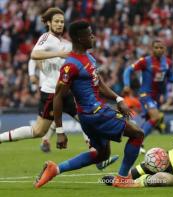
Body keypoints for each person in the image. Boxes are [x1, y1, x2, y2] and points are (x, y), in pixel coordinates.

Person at [0, 7, 118, 170]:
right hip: (51, 92)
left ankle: (98, 156)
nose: (59, 24)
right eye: (56, 21)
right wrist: (55, 56)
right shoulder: (46, 38)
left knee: (87, 120)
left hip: (68, 91)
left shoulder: (64, 43)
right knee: (39, 131)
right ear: (48, 23)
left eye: (62, 22)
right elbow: (34, 55)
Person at [34, 20, 144, 189]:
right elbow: (58, 97)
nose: (93, 36)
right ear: (79, 38)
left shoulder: (89, 57)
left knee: (101, 155)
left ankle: (55, 169)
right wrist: (60, 131)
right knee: (137, 134)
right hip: (95, 113)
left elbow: (98, 84)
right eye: (89, 34)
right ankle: (122, 178)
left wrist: (118, 99)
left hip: (92, 115)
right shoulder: (70, 65)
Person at [123, 40, 173, 153]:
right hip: (145, 94)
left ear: (164, 49)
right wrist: (127, 85)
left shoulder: (168, 62)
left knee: (150, 120)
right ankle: (139, 140)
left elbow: (170, 77)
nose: (159, 50)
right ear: (152, 49)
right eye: (156, 47)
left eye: (161, 48)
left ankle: (136, 140)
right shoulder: (145, 61)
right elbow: (128, 70)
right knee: (156, 117)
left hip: (156, 97)